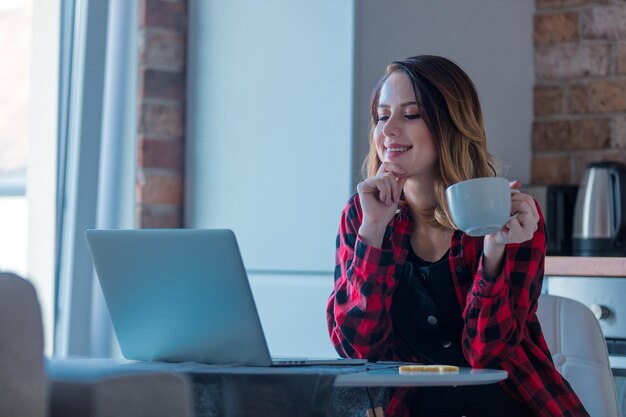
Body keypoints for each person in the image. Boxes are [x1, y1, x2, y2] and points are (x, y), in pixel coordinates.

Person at [326, 55, 588, 417]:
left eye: (411, 114)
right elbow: (357, 348)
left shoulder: (509, 213)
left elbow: (488, 355)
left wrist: (493, 251)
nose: (388, 129)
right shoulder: (362, 215)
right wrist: (373, 232)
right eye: (383, 115)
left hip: (510, 406)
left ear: (451, 123)